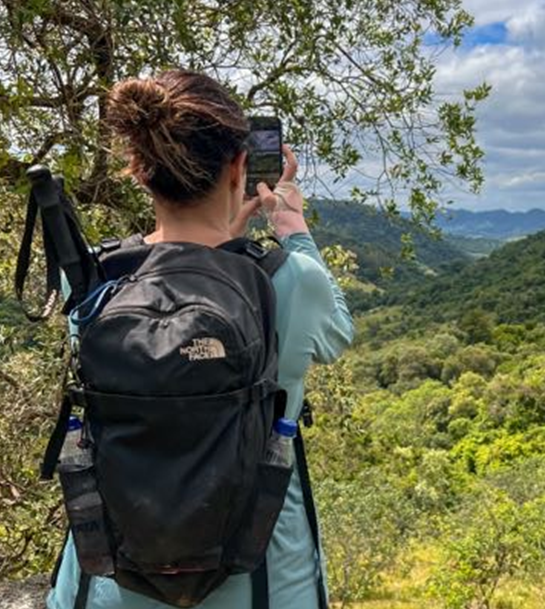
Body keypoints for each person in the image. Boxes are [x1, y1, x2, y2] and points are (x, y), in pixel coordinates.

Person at [47, 69, 354, 609]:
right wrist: (293, 227)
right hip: (265, 585)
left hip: (107, 585)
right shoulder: (289, 280)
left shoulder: (92, 278)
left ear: (140, 174)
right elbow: (335, 334)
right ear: (240, 167)